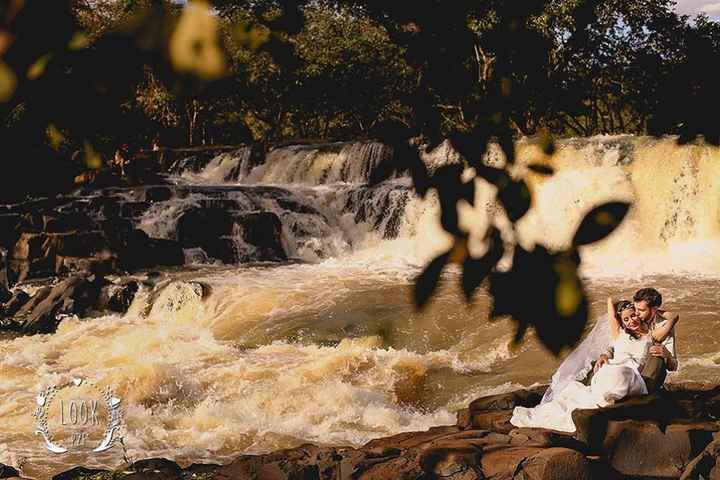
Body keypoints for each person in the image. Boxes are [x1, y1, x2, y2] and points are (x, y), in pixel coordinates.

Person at [510, 297, 679, 433]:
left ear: (639, 314)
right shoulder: (618, 333)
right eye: (626, 319)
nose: (631, 321)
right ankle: (602, 398)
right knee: (605, 373)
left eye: (634, 315)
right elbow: (610, 302)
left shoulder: (651, 335)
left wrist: (646, 309)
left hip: (631, 374)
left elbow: (673, 318)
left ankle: (607, 399)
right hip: (609, 369)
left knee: (620, 373)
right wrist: (606, 354)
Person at [595, 288, 678, 392]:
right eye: (635, 309)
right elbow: (618, 345)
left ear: (654, 309)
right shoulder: (625, 328)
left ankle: (644, 392)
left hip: (647, 372)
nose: (636, 314)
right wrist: (605, 355)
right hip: (622, 367)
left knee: (657, 355)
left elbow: (673, 366)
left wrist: (667, 355)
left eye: (640, 311)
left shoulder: (661, 328)